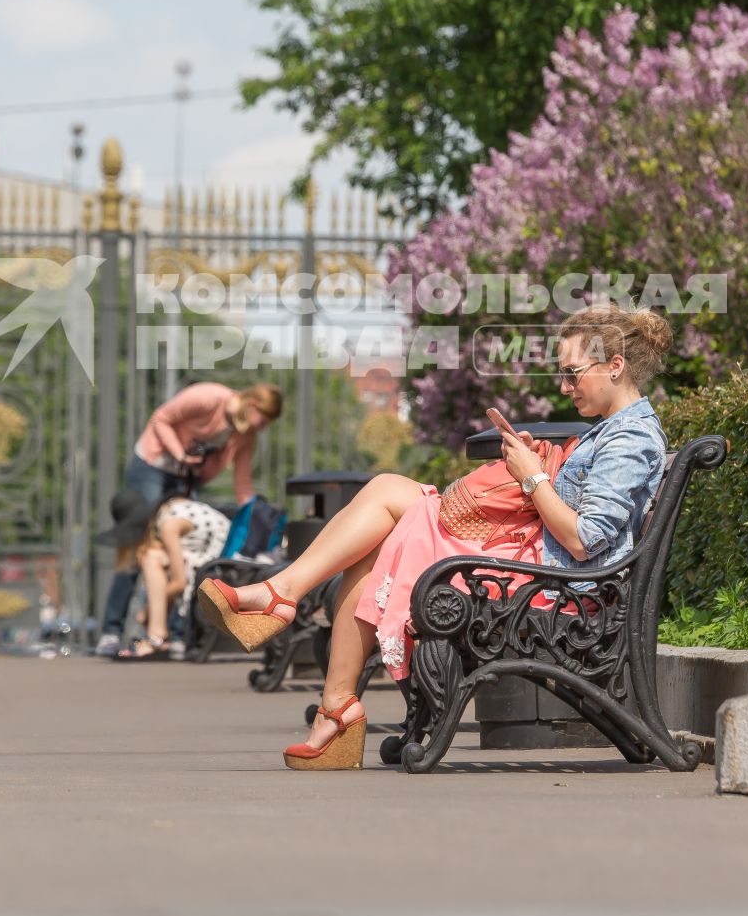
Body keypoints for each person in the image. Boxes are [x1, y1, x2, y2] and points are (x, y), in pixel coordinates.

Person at [198, 304, 672, 769]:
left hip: (556, 589)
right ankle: (311, 659)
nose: (565, 387)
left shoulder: (630, 438)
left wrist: (532, 477)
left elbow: (584, 540)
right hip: (534, 567)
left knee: (387, 513)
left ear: (615, 365)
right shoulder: (610, 431)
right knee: (384, 514)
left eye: (573, 373)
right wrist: (538, 461)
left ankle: (307, 651)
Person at [95, 381, 282, 655]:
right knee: (139, 545)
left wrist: (258, 518)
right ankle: (111, 631)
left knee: (180, 553)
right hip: (154, 464)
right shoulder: (208, 398)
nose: (262, 427)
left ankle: (169, 634)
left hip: (185, 476)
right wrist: (181, 453)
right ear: (251, 405)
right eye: (263, 420)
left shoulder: (245, 435)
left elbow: (242, 485)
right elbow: (160, 418)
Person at [112, 495, 232, 661]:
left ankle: (156, 636)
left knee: (151, 557)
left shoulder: (168, 525)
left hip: (220, 565)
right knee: (157, 557)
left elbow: (179, 583)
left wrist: (146, 611)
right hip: (223, 560)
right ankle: (158, 635)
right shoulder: (172, 510)